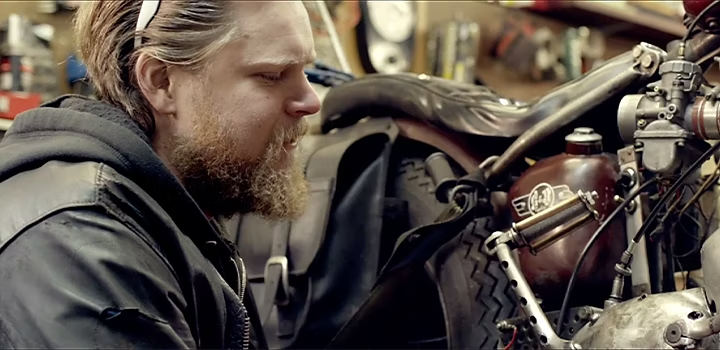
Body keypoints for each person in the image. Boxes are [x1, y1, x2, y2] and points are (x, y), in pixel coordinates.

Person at [0, 0, 321, 348]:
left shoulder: (171, 214)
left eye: (305, 70)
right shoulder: (79, 244)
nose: (310, 100)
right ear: (161, 81)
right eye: (272, 75)